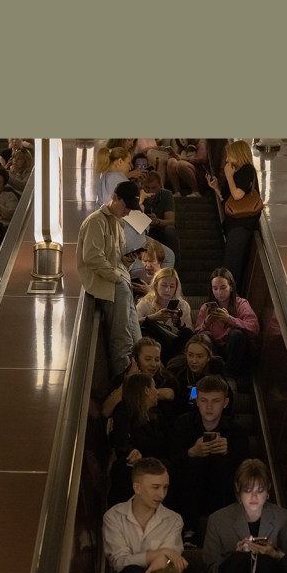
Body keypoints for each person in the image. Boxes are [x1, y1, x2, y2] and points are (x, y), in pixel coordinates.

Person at [101, 458, 187, 573]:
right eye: (155, 487)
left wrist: (163, 557)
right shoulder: (114, 517)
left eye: (165, 487)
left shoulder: (173, 520)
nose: (161, 494)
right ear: (137, 488)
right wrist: (158, 554)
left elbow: (171, 562)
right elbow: (119, 562)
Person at [166, 374, 248, 545]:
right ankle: (190, 529)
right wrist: (191, 452)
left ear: (225, 403)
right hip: (188, 490)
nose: (209, 407)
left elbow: (245, 466)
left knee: (221, 463)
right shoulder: (184, 423)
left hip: (220, 490)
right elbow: (171, 459)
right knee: (193, 463)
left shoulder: (236, 429)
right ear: (197, 401)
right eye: (203, 400)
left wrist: (229, 452)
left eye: (215, 401)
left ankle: (220, 529)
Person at [79, 180, 143, 375]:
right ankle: (125, 381)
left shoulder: (117, 222)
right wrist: (116, 277)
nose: (128, 212)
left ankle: (138, 375)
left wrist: (127, 261)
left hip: (121, 283)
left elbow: (113, 259)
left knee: (135, 335)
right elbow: (92, 257)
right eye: (126, 207)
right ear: (115, 198)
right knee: (122, 336)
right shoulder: (96, 221)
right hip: (111, 286)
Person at [106, 374, 169, 505]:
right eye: (154, 387)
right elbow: (119, 439)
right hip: (133, 468)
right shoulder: (124, 411)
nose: (157, 392)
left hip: (156, 465)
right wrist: (131, 451)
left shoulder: (156, 415)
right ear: (146, 390)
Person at [205, 139, 262, 281]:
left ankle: (231, 297)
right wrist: (216, 187)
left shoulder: (247, 169)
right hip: (233, 225)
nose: (227, 159)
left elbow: (237, 195)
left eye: (229, 155)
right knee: (231, 262)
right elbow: (228, 202)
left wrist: (229, 176)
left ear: (238, 154)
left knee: (232, 265)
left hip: (242, 225)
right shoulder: (238, 173)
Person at [194, 267, 259, 375]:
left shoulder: (241, 303)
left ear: (231, 287)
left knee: (236, 334)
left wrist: (229, 319)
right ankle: (212, 373)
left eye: (223, 288)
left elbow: (254, 329)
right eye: (215, 288)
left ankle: (228, 375)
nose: (219, 292)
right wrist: (206, 322)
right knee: (205, 335)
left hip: (235, 350)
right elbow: (196, 336)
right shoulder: (206, 307)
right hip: (214, 350)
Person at [135, 267, 194, 362]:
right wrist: (153, 318)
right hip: (155, 343)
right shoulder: (146, 303)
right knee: (146, 329)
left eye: (172, 286)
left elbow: (191, 330)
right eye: (163, 285)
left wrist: (180, 323)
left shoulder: (183, 305)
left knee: (186, 333)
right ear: (156, 285)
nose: (167, 290)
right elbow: (133, 324)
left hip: (174, 343)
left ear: (176, 288)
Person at [164, 333, 228, 413]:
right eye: (190, 355)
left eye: (199, 356)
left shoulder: (215, 367)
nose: (194, 361)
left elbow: (227, 396)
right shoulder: (176, 368)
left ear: (208, 357)